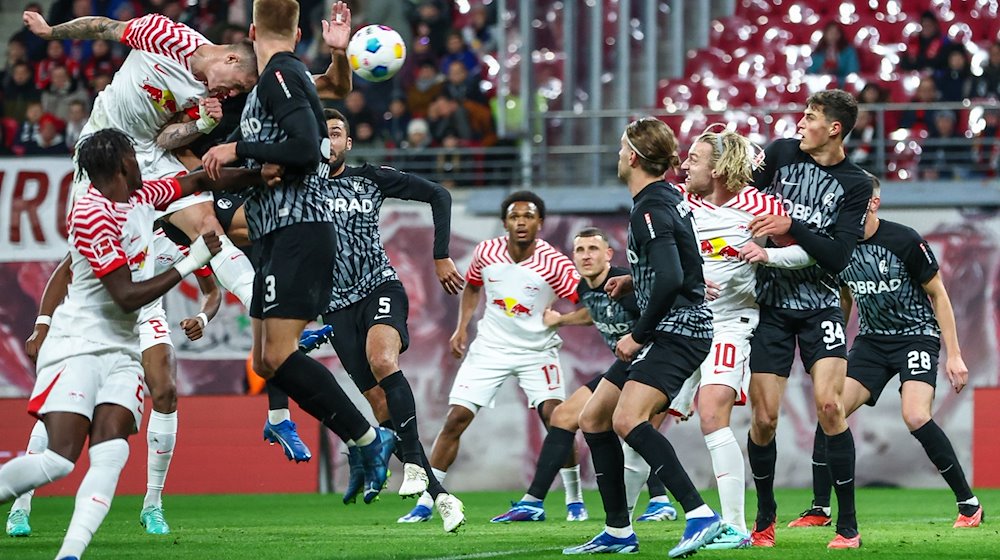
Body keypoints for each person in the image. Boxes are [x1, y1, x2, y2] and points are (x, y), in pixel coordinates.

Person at [0, 128, 268, 559]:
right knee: (60, 456)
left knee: (112, 450)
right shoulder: (90, 214)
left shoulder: (142, 198)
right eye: (136, 154)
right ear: (123, 163)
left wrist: (264, 172)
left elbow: (197, 181)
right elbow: (124, 294)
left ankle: (74, 550)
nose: (147, 159)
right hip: (82, 340)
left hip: (127, 341)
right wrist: (191, 263)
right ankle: (20, 505)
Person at [201, 0, 396, 504]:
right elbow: (323, 106)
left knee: (280, 354)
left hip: (299, 229)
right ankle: (360, 440)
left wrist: (238, 150)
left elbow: (309, 149)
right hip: (276, 233)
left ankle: (368, 439)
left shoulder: (281, 74)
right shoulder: (284, 76)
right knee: (267, 361)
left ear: (250, 31)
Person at [784, 176, 982, 529]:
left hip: (915, 337)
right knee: (830, 406)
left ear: (873, 203)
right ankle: (819, 507)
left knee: (916, 417)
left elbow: (938, 294)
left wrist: (954, 354)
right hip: (872, 342)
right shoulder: (840, 245)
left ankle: (968, 503)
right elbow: (845, 295)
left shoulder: (903, 239)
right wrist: (837, 345)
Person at [6, 220, 226, 537]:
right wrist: (42, 324)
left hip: (146, 319)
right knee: (61, 406)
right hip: (96, 319)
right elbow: (65, 270)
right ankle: (20, 506)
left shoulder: (182, 233)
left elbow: (211, 290)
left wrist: (203, 316)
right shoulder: (115, 221)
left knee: (166, 392)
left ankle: (153, 504)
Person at [565, 118, 723, 558]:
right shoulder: (665, 198)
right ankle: (618, 530)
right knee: (593, 418)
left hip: (678, 330)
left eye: (620, 148)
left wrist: (636, 334)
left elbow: (672, 275)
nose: (618, 155)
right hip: (672, 323)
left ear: (633, 156)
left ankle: (699, 514)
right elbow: (678, 265)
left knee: (627, 420)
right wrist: (634, 281)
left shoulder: (649, 208)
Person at [315, 109, 466, 531]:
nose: (328, 139)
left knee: (384, 362)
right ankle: (438, 493)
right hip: (335, 306)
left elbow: (439, 194)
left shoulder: (370, 177)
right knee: (378, 405)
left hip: (379, 287)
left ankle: (420, 473)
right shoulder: (298, 186)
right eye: (320, 134)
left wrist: (440, 255)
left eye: (337, 132)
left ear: (348, 143)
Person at [669, 126, 814, 550]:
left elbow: (807, 250)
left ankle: (733, 526)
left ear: (716, 167)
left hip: (730, 324)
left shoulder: (760, 205)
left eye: (694, 158)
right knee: (634, 416)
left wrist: (768, 254)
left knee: (712, 413)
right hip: (681, 321)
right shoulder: (679, 203)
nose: (685, 165)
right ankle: (619, 526)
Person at [400, 191, 584, 525]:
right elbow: (472, 286)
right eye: (515, 217)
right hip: (490, 348)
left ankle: (574, 500)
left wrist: (563, 320)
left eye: (528, 216)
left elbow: (584, 301)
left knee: (557, 420)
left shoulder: (555, 262)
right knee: (455, 419)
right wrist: (461, 328)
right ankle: (429, 499)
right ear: (505, 223)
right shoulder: (487, 251)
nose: (521, 222)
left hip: (536, 350)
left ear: (539, 223)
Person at [744, 89, 873, 549]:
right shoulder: (778, 154)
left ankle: (848, 526)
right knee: (763, 419)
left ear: (833, 128)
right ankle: (765, 517)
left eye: (810, 116)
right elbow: (742, 201)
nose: (799, 122)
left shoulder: (856, 184)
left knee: (831, 407)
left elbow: (838, 256)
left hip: (820, 305)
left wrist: (790, 227)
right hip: (770, 308)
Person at [489, 227, 678, 525]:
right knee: (564, 417)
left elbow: (661, 313)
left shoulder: (626, 284)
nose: (586, 255)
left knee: (633, 429)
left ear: (608, 254)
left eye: (593, 248)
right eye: (580, 250)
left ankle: (661, 501)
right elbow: (594, 312)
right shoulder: (585, 289)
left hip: (655, 367)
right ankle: (534, 502)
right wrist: (562, 320)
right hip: (625, 369)